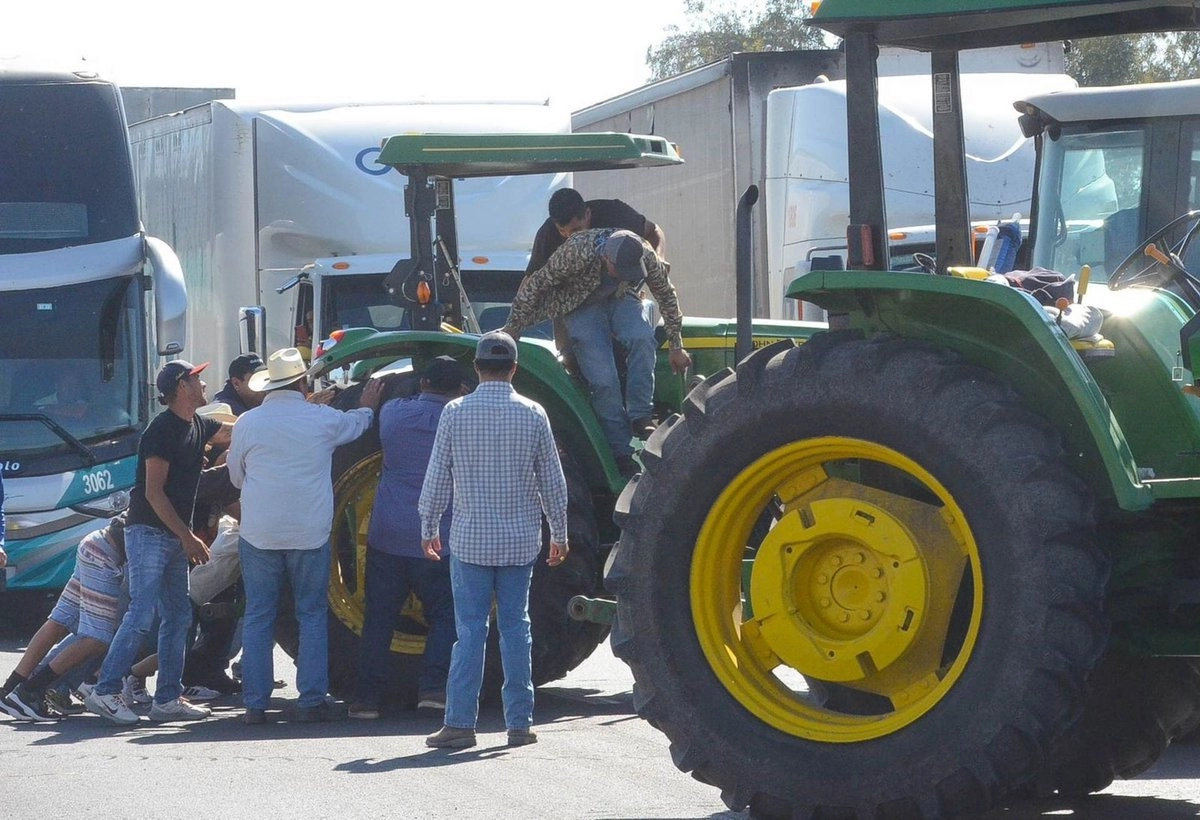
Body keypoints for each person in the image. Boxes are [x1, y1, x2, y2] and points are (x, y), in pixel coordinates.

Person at [420, 331, 569, 749]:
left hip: (469, 541)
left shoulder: (454, 412)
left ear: (477, 367)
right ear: (515, 368)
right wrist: (559, 532)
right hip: (521, 541)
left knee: (469, 631)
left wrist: (428, 526)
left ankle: (460, 724)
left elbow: (437, 477)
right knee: (517, 628)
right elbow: (553, 483)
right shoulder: (534, 413)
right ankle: (519, 723)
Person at [226, 347, 383, 725]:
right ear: (302, 382)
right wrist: (368, 404)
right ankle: (311, 700)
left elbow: (235, 477)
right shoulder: (321, 419)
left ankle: (255, 704)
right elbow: (358, 424)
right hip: (309, 531)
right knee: (311, 614)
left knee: (259, 615)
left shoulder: (248, 422)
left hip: (259, 531)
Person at [84, 360, 232, 726]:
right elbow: (153, 494)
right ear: (182, 387)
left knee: (179, 616)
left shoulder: (198, 423)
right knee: (141, 614)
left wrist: (288, 406)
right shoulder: (162, 430)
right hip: (148, 533)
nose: (204, 384)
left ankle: (167, 698)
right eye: (197, 379)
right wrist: (188, 537)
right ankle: (105, 689)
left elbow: (237, 430)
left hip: (171, 536)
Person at [504, 229, 692, 477]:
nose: (628, 273)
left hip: (621, 296)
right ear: (606, 259)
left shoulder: (644, 254)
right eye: (622, 270)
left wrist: (676, 346)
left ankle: (641, 414)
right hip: (580, 303)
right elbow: (535, 287)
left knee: (642, 336)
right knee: (603, 378)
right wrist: (512, 330)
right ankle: (620, 451)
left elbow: (666, 294)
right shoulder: (574, 253)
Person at [348, 356, 469, 720]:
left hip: (388, 534)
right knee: (447, 615)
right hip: (438, 538)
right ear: (460, 389)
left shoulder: (394, 414)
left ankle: (366, 699)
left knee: (379, 617)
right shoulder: (462, 420)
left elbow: (394, 400)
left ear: (424, 384)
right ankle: (432, 688)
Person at [1, 515, 127, 721]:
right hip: (109, 553)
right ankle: (27, 692)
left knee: (59, 621)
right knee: (99, 638)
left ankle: (9, 691)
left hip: (98, 541)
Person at [525, 188, 665, 274]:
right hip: (574, 298)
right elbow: (532, 279)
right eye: (562, 231)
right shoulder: (548, 232)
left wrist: (659, 258)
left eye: (576, 230)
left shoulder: (616, 215)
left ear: (587, 214)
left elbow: (654, 230)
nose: (570, 237)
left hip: (620, 290)